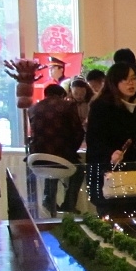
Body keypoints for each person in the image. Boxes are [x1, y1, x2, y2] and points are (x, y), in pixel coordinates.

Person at [84, 62, 136, 210]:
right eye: (124, 79)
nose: (131, 83)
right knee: (113, 213)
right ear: (114, 82)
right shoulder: (101, 106)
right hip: (108, 173)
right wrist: (110, 153)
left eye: (133, 78)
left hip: (135, 174)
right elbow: (94, 139)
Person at [28, 83, 85, 214]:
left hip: (37, 158)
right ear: (62, 95)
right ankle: (69, 204)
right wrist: (73, 150)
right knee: (79, 169)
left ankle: (48, 198)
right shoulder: (68, 106)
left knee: (50, 169)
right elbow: (79, 132)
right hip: (61, 156)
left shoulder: (33, 108)